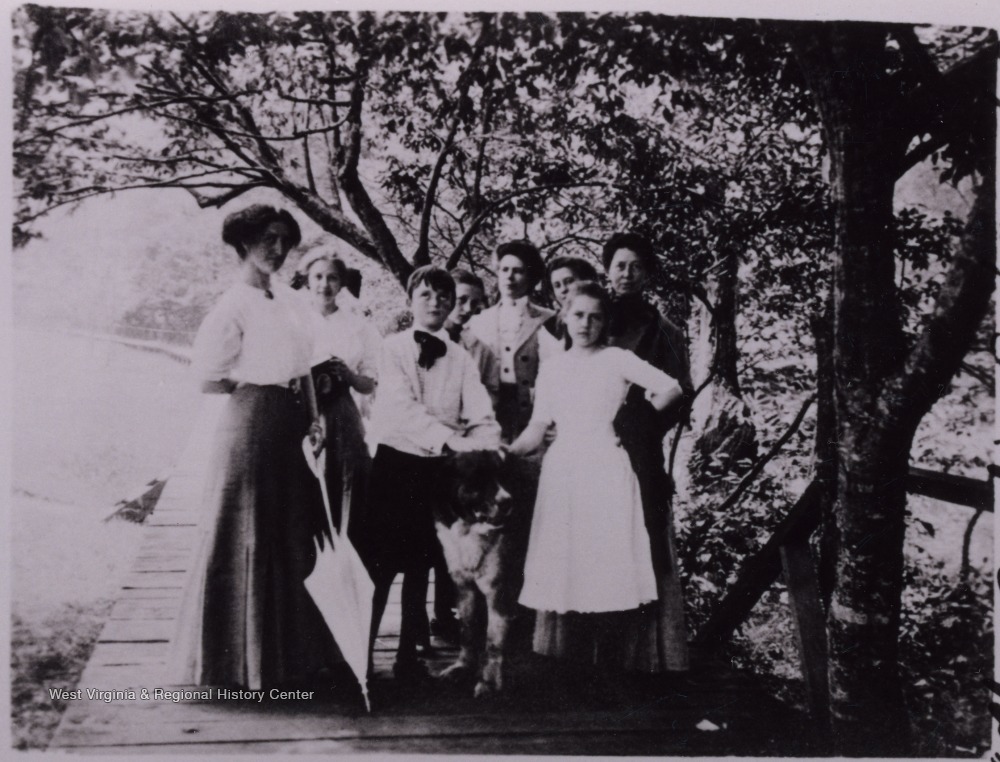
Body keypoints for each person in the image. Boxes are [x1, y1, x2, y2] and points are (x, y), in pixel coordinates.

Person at [176, 204, 341, 690]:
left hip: (294, 424)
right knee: (250, 530)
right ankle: (239, 665)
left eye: (285, 240)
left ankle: (290, 661)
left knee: (292, 534)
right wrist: (255, 390)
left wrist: (313, 417)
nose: (279, 249)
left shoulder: (289, 298)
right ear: (244, 242)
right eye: (269, 238)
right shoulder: (233, 305)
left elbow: (305, 365)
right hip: (251, 426)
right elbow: (207, 378)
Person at [505, 281, 683, 673]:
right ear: (565, 317)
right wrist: (507, 453)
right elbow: (538, 427)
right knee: (569, 568)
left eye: (596, 317)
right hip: (564, 473)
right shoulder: (553, 368)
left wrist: (636, 421)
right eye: (579, 315)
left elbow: (671, 388)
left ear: (605, 322)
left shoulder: (616, 358)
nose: (586, 324)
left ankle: (608, 674)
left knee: (605, 568)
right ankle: (575, 675)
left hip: (606, 470)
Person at [356, 266, 501, 682]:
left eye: (443, 296)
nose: (435, 302)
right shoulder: (391, 348)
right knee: (381, 565)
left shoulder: (461, 357)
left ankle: (408, 656)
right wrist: (449, 439)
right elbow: (400, 408)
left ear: (452, 303)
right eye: (425, 294)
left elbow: (479, 410)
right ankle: (361, 657)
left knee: (422, 563)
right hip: (396, 464)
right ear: (411, 301)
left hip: (436, 472)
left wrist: (486, 445)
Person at [605, 231, 694, 673]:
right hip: (591, 445)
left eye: (636, 266)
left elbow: (680, 392)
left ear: (648, 274)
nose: (627, 274)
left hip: (639, 449)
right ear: (607, 270)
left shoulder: (666, 331)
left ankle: (644, 658)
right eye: (620, 265)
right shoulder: (590, 319)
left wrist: (637, 422)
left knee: (643, 540)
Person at [298, 250, 381, 533]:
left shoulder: (359, 327)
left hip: (340, 412)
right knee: (301, 480)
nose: (325, 285)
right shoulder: (294, 320)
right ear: (307, 280)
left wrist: (348, 374)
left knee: (348, 476)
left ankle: (344, 542)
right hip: (299, 409)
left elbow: (369, 384)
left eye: (332, 278)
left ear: (342, 283)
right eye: (318, 277)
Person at [467, 240, 555, 442]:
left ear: (530, 276)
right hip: (491, 407)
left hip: (532, 408)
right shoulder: (479, 321)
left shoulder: (547, 319)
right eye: (504, 269)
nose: (509, 276)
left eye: (518, 271)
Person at [539, 255, 600, 356]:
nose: (563, 289)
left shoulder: (605, 318)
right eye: (557, 285)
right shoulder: (548, 329)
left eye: (569, 281)